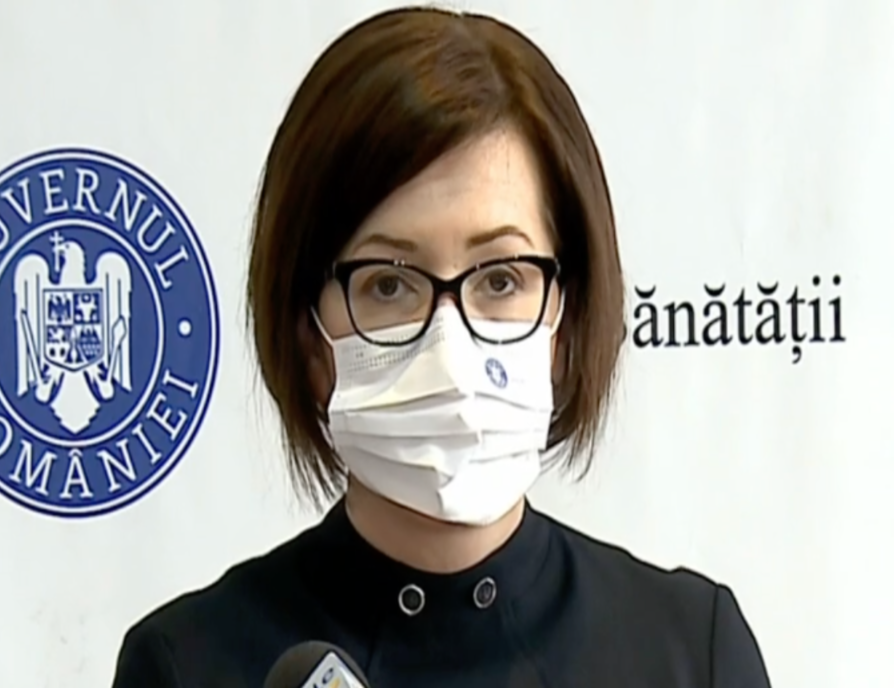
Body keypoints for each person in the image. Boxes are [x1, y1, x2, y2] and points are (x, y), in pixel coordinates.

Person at [111, 6, 771, 687]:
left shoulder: (689, 649)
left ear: (566, 320)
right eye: (388, 285)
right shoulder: (188, 664)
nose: (449, 350)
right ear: (308, 335)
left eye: (501, 279)